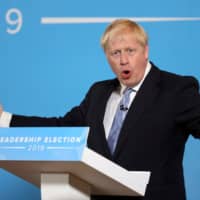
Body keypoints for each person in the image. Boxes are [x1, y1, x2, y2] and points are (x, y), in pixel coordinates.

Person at [0, 19, 200, 200]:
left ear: (145, 51)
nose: (123, 60)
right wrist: (5, 118)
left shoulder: (177, 89)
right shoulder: (98, 93)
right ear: (107, 57)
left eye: (130, 51)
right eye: (115, 53)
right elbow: (63, 126)